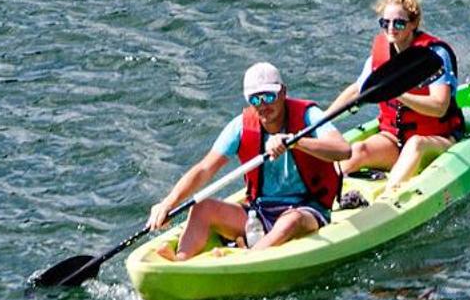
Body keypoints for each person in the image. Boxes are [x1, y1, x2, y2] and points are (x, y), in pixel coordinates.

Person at [148, 62, 353, 261]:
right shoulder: (241, 126)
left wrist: (295, 142)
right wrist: (168, 203)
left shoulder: (308, 115)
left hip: (308, 210)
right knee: (202, 208)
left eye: (269, 96)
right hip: (260, 212)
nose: (263, 105)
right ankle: (181, 262)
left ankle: (246, 258)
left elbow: (343, 150)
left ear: (283, 92)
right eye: (255, 100)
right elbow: (204, 168)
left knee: (292, 220)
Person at [326, 0, 463, 192]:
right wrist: (322, 120)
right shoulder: (380, 54)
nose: (391, 29)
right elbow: (357, 91)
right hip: (393, 138)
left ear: (413, 23)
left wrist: (399, 93)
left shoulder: (434, 56)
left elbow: (439, 106)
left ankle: (387, 201)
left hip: (437, 139)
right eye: (385, 23)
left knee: (416, 143)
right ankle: (320, 192)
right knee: (360, 149)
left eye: (399, 23)